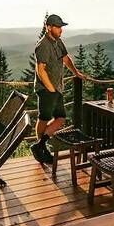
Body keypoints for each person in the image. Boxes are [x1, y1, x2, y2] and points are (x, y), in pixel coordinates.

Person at [30, 14, 85, 164]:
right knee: (44, 118)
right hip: (47, 89)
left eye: (61, 27)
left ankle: (39, 145)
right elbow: (40, 69)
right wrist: (50, 89)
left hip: (56, 88)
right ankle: (42, 148)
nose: (61, 30)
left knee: (60, 118)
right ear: (49, 27)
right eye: (58, 27)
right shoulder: (43, 45)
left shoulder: (57, 42)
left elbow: (66, 58)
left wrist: (76, 73)